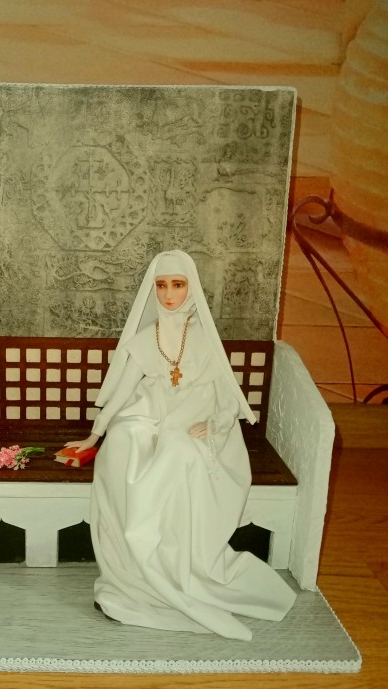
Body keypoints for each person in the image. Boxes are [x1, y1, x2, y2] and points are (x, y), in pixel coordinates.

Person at [66, 250, 296, 641]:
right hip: (151, 411)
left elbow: (228, 396)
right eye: (161, 286)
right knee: (124, 438)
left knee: (179, 450)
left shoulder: (204, 338)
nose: (169, 294)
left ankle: (168, 559)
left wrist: (216, 422)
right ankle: (134, 558)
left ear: (191, 288)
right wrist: (95, 433)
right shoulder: (145, 339)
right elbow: (122, 392)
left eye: (177, 285)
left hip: (196, 415)